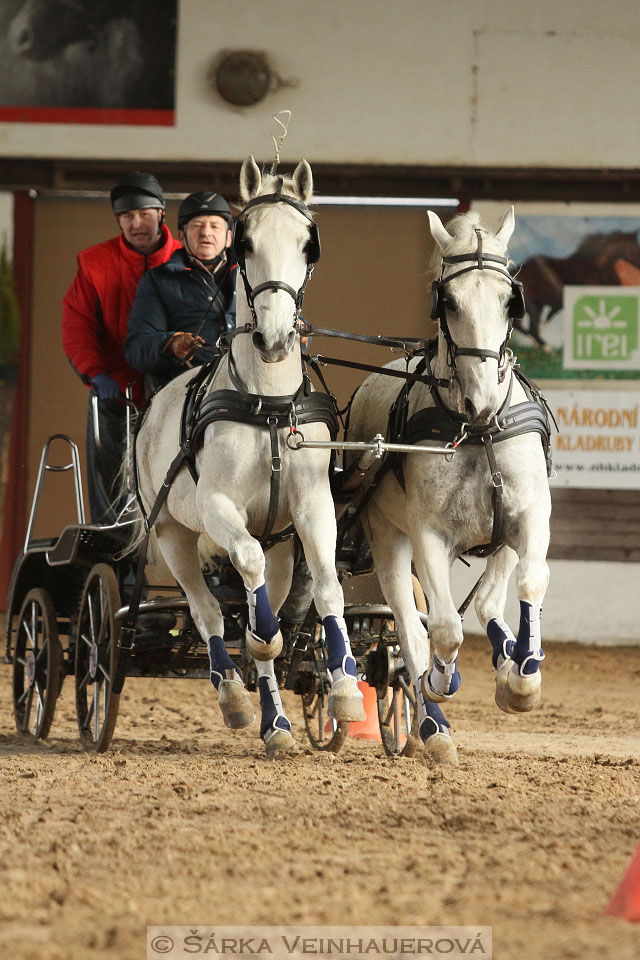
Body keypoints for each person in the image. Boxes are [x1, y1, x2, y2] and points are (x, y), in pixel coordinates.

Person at [62, 170, 181, 524]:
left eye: (144, 214)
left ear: (161, 213)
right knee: (112, 480)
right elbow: (77, 324)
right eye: (127, 216)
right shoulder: (94, 264)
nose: (136, 223)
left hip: (173, 386)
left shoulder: (184, 258)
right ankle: (114, 544)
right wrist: (95, 373)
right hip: (117, 389)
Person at [124, 191, 236, 391]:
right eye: (197, 226)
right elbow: (136, 349)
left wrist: (298, 331)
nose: (206, 233)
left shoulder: (251, 277)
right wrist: (171, 344)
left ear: (228, 238)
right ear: (181, 238)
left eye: (215, 226)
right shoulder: (158, 281)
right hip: (186, 391)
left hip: (248, 388)